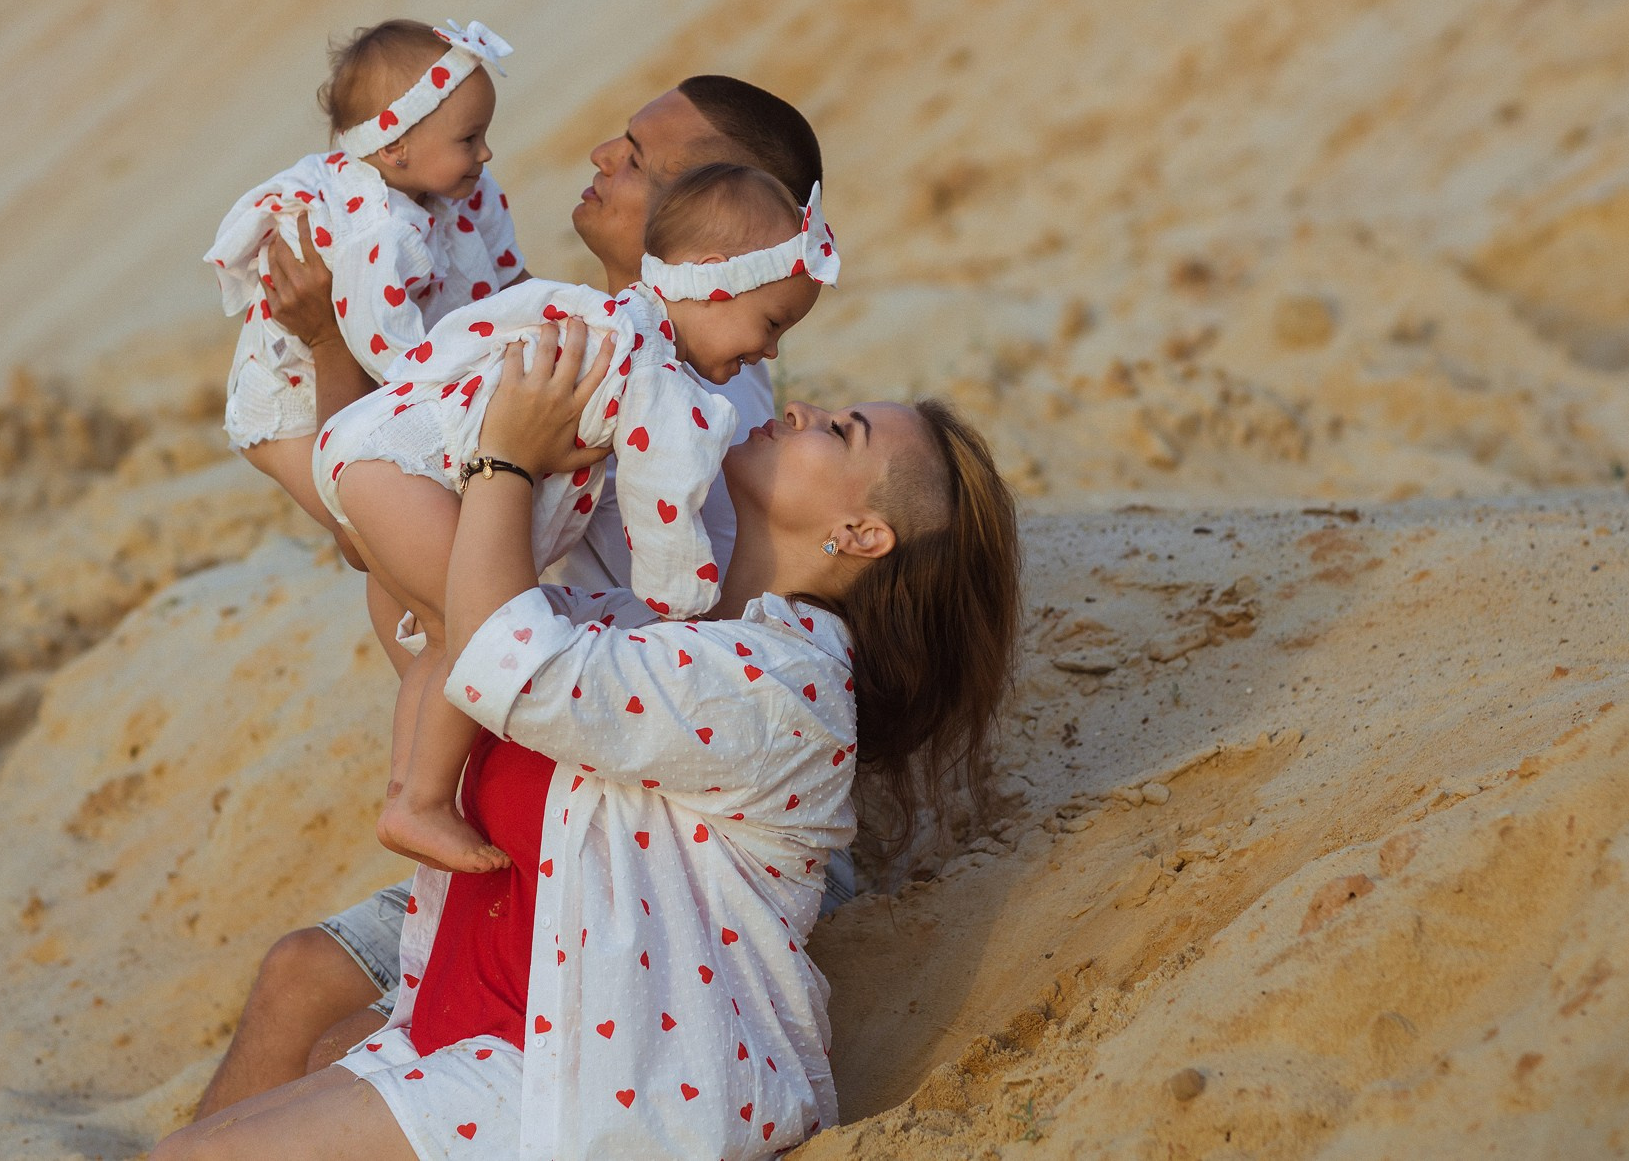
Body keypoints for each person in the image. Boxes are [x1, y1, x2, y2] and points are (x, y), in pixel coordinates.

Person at [154, 316, 1022, 1160]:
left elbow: (507, 656)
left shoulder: (785, 685)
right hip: (493, 1033)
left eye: (841, 431)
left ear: (862, 535)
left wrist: (506, 458)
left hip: (596, 1091)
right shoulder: (653, 624)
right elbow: (444, 634)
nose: (803, 411)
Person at [190, 78, 832, 1119]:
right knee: (300, 979)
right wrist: (331, 348)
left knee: (321, 1003)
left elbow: (400, 555)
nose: (603, 156)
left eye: (640, 155)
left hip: (590, 836)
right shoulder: (594, 335)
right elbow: (400, 504)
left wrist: (338, 370)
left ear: (722, 213)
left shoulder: (691, 409)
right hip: (516, 789)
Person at [314, 163, 839, 873]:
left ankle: (409, 786)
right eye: (770, 322)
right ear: (712, 277)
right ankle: (420, 800)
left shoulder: (592, 312)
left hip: (382, 443)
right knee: (468, 631)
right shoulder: (653, 371)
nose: (771, 350)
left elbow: (479, 326)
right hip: (416, 472)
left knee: (444, 632)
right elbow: (665, 506)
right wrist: (678, 602)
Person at [204, 18, 526, 571]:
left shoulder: (463, 187)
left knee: (416, 532)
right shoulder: (376, 234)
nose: (487, 152)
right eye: (469, 139)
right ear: (396, 147)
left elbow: (514, 284)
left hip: (363, 370)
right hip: (291, 401)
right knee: (371, 540)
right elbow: (391, 354)